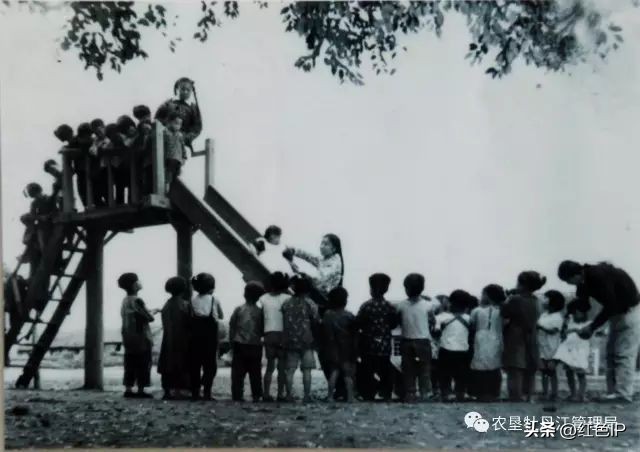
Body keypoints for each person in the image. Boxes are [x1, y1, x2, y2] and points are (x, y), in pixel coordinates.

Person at [558, 260, 640, 403]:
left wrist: (592, 327)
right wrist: (569, 313)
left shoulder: (599, 276)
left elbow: (611, 305)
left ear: (576, 275)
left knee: (624, 354)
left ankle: (623, 394)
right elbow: (584, 304)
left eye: (568, 281)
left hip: (630, 310)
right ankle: (612, 393)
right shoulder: (584, 280)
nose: (569, 284)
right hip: (617, 313)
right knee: (611, 354)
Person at [284, 233, 344, 397]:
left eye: (325, 244)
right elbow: (311, 257)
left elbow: (319, 280)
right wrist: (295, 251)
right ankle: (337, 387)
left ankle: (339, 387)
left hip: (326, 304)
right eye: (321, 243)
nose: (321, 246)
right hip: (322, 303)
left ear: (334, 248)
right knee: (324, 349)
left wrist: (297, 270)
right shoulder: (326, 259)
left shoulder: (335, 262)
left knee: (326, 349)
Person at [501, 271, 545, 402]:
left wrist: (507, 298)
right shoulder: (536, 301)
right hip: (532, 334)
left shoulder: (515, 299)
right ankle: (528, 394)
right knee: (530, 365)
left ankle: (515, 395)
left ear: (522, 284)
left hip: (516, 334)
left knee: (515, 366)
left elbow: (504, 312)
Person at [356, 273, 399, 401]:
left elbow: (358, 322)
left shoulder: (366, 306)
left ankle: (368, 393)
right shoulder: (389, 306)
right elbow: (393, 324)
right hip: (384, 344)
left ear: (371, 289)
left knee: (367, 370)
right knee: (385, 369)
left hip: (368, 344)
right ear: (386, 289)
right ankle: (386, 393)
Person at [396, 273, 435, 402]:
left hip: (407, 339)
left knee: (408, 369)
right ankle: (424, 393)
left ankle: (410, 392)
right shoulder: (428, 305)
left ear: (406, 288)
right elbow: (432, 322)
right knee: (424, 368)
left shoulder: (401, 305)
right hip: (423, 340)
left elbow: (398, 321)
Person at [119, 273, 157, 399]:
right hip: (141, 337)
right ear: (135, 285)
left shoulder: (125, 301)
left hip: (128, 337)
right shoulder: (138, 300)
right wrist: (154, 312)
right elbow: (149, 317)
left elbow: (137, 314)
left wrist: (151, 311)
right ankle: (141, 390)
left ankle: (128, 389)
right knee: (143, 364)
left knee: (129, 364)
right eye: (138, 281)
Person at [281, 276, 319, 403]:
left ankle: (288, 395)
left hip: (290, 340)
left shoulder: (286, 302)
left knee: (290, 370)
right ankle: (306, 396)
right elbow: (315, 321)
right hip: (307, 340)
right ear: (308, 290)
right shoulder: (310, 303)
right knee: (307, 370)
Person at [189, 272, 224, 400]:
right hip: (210, 337)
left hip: (195, 337)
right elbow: (221, 316)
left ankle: (195, 392)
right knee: (210, 365)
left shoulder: (192, 300)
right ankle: (207, 392)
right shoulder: (214, 300)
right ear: (211, 288)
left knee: (194, 365)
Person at [229, 281, 266, 402]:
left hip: (239, 344)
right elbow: (262, 329)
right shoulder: (260, 312)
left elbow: (232, 326)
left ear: (245, 294)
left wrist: (231, 342)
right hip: (255, 345)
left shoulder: (238, 309)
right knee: (255, 372)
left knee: (237, 373)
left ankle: (237, 395)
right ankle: (256, 394)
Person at [469, 284, 506, 402]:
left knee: (480, 365)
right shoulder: (501, 311)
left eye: (483, 294)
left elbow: (472, 325)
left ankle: (480, 392)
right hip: (497, 337)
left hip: (480, 338)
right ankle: (494, 393)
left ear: (488, 296)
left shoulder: (477, 311)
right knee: (494, 365)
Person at [158, 276, 192, 400]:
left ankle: (167, 391)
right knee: (182, 363)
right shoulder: (185, 305)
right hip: (182, 340)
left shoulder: (166, 305)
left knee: (167, 364)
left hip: (168, 339)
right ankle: (179, 390)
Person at [435, 290, 472, 402]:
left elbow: (436, 332)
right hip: (463, 350)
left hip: (445, 350)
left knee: (444, 374)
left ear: (450, 303)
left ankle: (446, 393)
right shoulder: (469, 318)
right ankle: (460, 393)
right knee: (462, 374)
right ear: (466, 306)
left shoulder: (441, 317)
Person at [322, 287, 357, 402]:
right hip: (346, 349)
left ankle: (330, 396)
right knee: (348, 375)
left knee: (333, 373)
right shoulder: (349, 316)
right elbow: (354, 331)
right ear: (345, 301)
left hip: (332, 349)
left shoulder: (327, 315)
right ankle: (350, 397)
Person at [554, 299, 592, 402]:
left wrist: (576, 331)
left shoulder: (588, 323)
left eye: (578, 312)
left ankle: (581, 394)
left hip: (581, 350)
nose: (576, 315)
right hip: (569, 349)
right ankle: (573, 393)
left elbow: (587, 335)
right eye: (574, 313)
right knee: (569, 372)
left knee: (581, 373)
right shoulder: (569, 321)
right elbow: (562, 334)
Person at [259, 271, 290, 402]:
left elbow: (261, 317)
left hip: (269, 334)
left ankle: (266, 393)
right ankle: (280, 394)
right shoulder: (287, 298)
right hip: (283, 334)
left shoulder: (263, 298)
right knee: (282, 368)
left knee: (269, 367)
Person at [155, 77, 202, 150]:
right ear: (177, 89)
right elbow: (157, 120)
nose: (185, 92)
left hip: (182, 143)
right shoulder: (167, 104)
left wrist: (184, 137)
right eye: (183, 89)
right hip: (165, 139)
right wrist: (165, 131)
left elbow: (197, 128)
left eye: (188, 90)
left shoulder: (193, 108)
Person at [536, 290, 566, 402]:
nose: (544, 301)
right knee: (543, 370)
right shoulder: (544, 315)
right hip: (542, 346)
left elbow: (553, 331)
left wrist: (540, 327)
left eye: (546, 298)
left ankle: (554, 393)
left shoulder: (557, 317)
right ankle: (545, 392)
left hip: (552, 347)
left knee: (551, 370)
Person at [69, 123, 94, 208]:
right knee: (82, 189)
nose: (86, 136)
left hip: (91, 168)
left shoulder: (92, 141)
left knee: (93, 188)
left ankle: (94, 204)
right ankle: (86, 205)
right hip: (80, 169)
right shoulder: (75, 141)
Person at [163, 112, 187, 190]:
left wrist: (184, 157)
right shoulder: (165, 132)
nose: (178, 126)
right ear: (170, 122)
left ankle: (175, 190)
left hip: (178, 158)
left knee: (177, 175)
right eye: (176, 123)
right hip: (169, 157)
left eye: (180, 124)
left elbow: (183, 147)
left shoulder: (180, 135)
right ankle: (167, 189)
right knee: (168, 174)